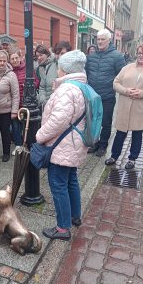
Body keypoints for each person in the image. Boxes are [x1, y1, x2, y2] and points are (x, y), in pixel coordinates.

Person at [36, 50, 88, 240]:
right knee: (71, 180)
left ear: (64, 70)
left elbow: (58, 120)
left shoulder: (67, 89)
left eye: (59, 68)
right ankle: (75, 216)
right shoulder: (81, 85)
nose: (57, 71)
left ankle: (63, 228)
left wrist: (40, 135)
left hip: (62, 146)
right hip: (73, 143)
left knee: (58, 185)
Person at [85, 29, 126, 157]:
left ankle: (103, 145)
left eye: (103, 39)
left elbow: (122, 76)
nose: (100, 42)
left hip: (108, 96)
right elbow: (85, 74)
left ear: (109, 40)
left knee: (105, 123)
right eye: (98, 39)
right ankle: (94, 143)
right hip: (92, 97)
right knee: (92, 121)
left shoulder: (117, 57)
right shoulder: (91, 57)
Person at [105, 44, 143, 170]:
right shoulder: (127, 68)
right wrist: (126, 90)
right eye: (139, 53)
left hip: (139, 108)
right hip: (124, 106)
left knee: (137, 134)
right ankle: (114, 156)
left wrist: (141, 93)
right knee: (120, 133)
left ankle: (132, 159)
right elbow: (115, 83)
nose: (141, 55)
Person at [0, 49, 19, 162]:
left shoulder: (11, 75)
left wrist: (14, 111)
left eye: (4, 61)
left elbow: (15, 94)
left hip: (6, 109)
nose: (2, 63)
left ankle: (6, 153)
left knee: (5, 132)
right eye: (0, 60)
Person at [9, 46, 39, 155]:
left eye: (16, 58)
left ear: (20, 57)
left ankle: (27, 143)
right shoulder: (9, 71)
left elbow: (36, 81)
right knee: (15, 126)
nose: (15, 60)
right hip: (15, 103)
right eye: (12, 59)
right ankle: (18, 145)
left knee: (26, 125)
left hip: (26, 102)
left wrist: (28, 86)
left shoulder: (27, 68)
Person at [35, 44, 57, 111]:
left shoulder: (56, 63)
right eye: (37, 56)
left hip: (56, 103)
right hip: (45, 105)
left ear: (47, 54)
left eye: (41, 55)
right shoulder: (40, 68)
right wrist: (42, 100)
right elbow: (41, 87)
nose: (39, 58)